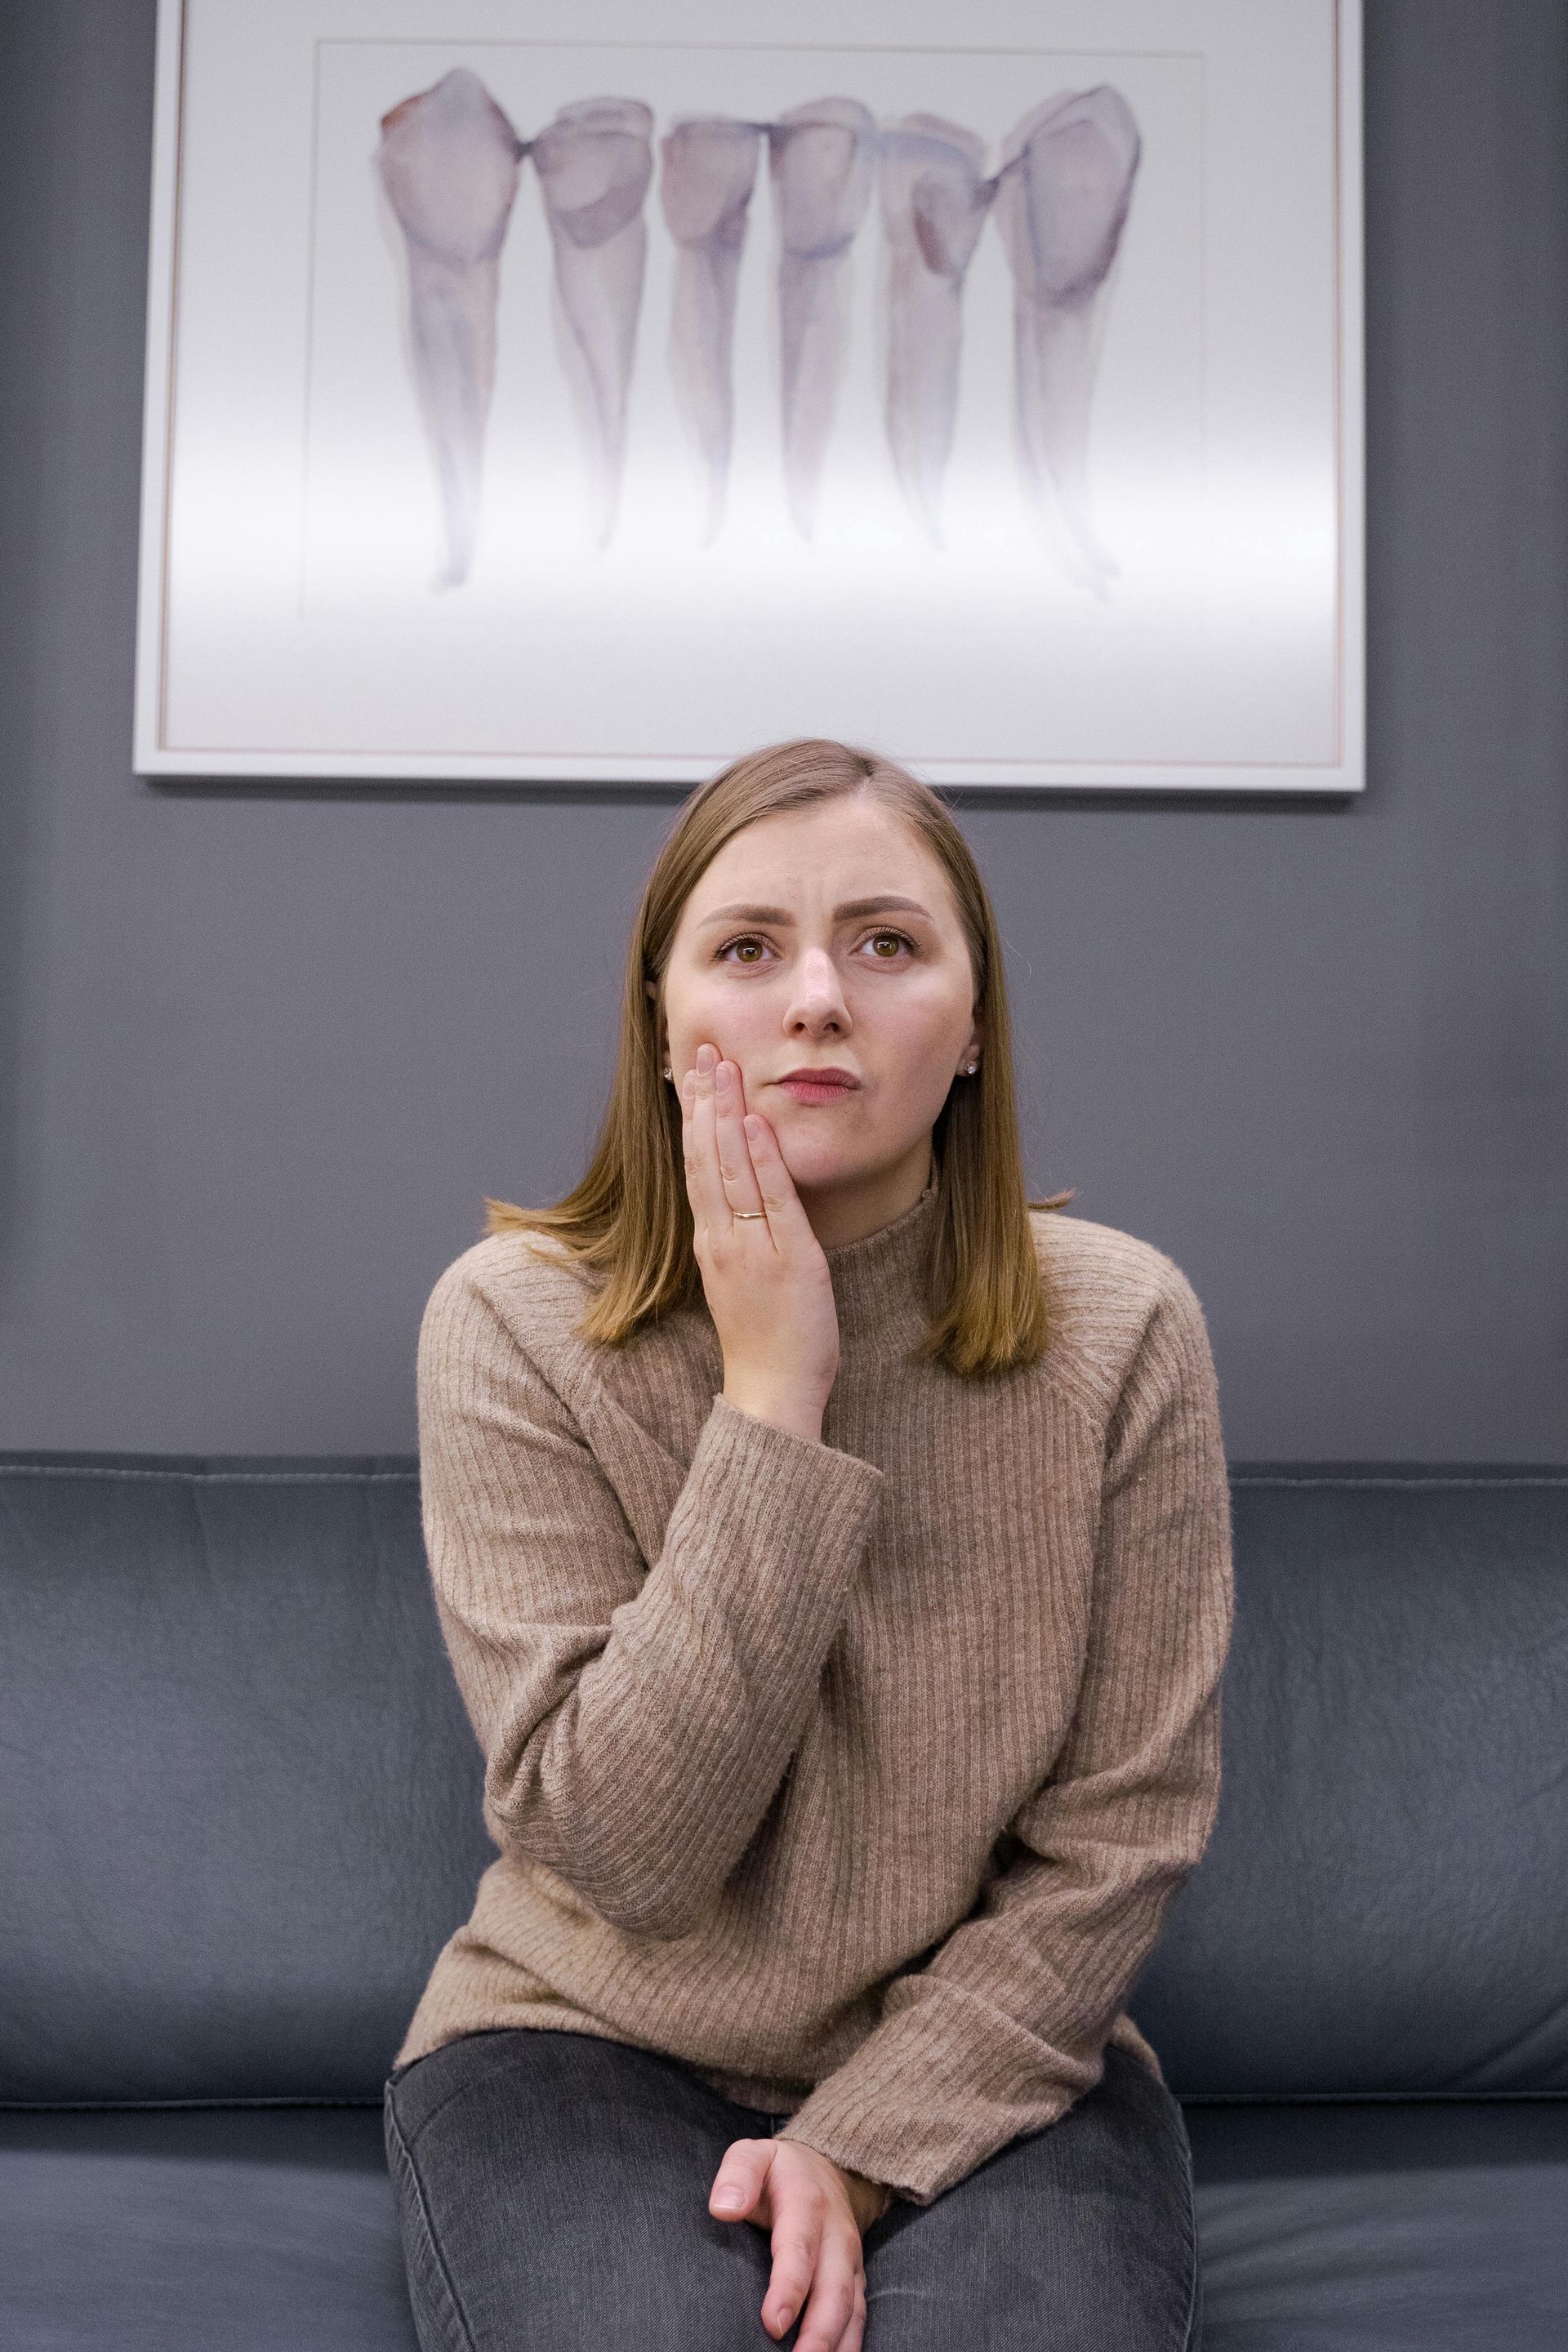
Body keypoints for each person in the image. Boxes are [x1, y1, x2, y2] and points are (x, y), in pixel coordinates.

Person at [385, 737, 1234, 2350]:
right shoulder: (509, 1323)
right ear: (664, 1019)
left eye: (888, 944)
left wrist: (867, 2138)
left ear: (974, 1024)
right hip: (584, 2038)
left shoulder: (1127, 1329)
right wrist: (778, 1398)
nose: (819, 999)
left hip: (1002, 2060)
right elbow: (626, 1853)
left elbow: (1122, 1838)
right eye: (749, 949)